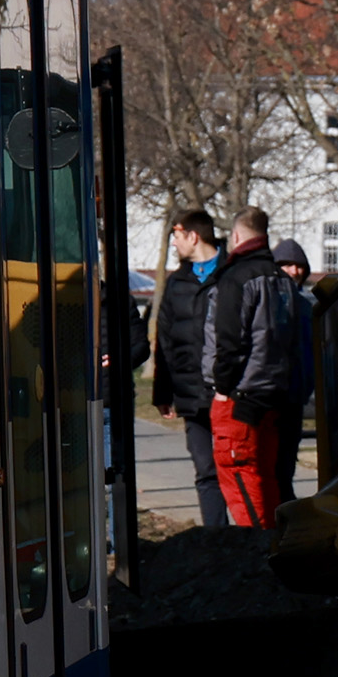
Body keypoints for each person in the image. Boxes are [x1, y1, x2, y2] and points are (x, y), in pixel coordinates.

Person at [206, 209, 306, 529]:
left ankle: (258, 554)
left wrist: (222, 388)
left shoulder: (236, 278)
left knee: (240, 479)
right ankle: (274, 549)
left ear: (236, 236)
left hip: (240, 398)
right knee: (266, 478)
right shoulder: (282, 281)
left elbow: (230, 343)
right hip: (273, 395)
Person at [148, 211, 229, 529]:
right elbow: (164, 341)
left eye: (177, 237)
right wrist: (162, 392)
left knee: (236, 469)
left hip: (227, 393)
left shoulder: (231, 275)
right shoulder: (176, 282)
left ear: (193, 236)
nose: (175, 245)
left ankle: (250, 544)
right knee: (205, 471)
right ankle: (216, 540)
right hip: (191, 395)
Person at [263, 235, 319, 509]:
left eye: (298, 265)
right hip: (273, 395)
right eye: (286, 265)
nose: (294, 271)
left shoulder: (308, 305)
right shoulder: (268, 302)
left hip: (296, 394)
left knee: (286, 461)